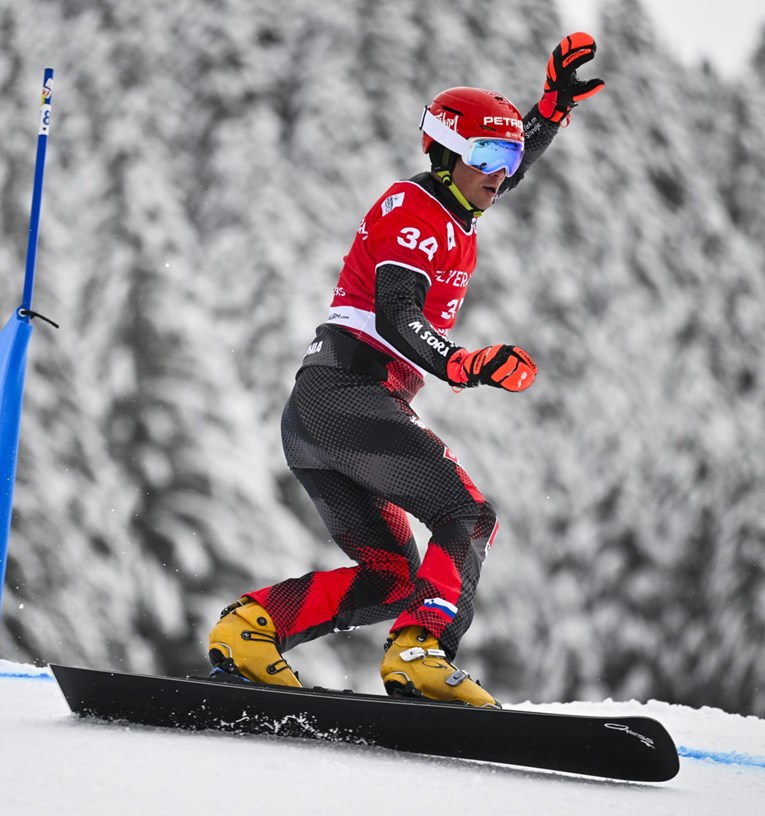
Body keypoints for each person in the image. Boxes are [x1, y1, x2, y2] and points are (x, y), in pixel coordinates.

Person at [208, 33, 604, 707]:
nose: (499, 170)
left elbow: (513, 163)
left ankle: (253, 629)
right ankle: (421, 651)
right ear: (443, 154)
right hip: (347, 397)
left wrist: (550, 112)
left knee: (392, 576)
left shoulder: (455, 204)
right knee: (467, 515)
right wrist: (460, 362)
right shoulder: (414, 210)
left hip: (326, 411)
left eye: (504, 156)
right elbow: (397, 310)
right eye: (483, 155)